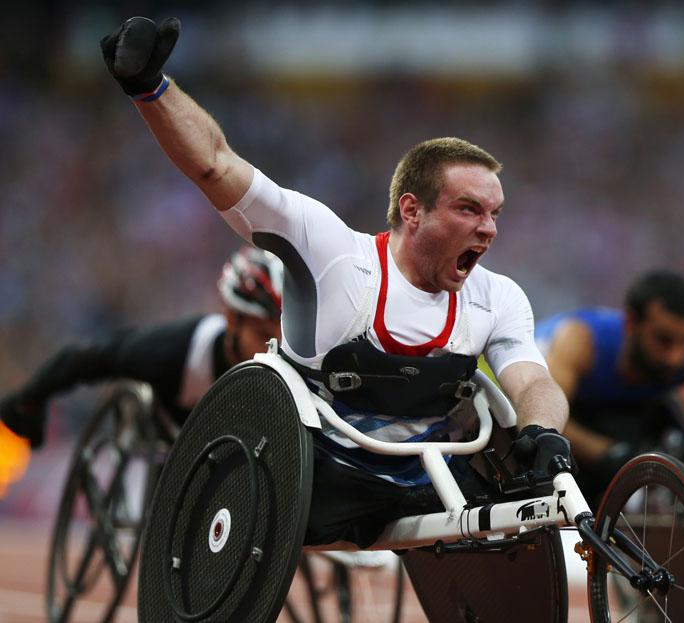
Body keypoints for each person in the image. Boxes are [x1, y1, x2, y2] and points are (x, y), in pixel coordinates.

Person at [98, 16, 572, 548]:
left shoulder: (499, 296)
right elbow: (216, 165)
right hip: (311, 476)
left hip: (429, 484)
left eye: (494, 213)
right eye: (469, 209)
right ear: (411, 211)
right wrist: (151, 89)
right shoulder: (331, 251)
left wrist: (542, 432)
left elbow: (532, 383)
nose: (488, 227)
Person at [0, 246, 283, 448]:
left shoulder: (287, 368)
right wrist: (30, 399)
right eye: (263, 334)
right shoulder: (171, 350)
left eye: (283, 338)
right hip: (156, 438)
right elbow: (88, 357)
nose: (274, 349)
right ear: (232, 319)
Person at [536, 269, 684, 503]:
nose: (676, 357)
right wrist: (610, 453)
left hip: (632, 413)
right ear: (631, 324)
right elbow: (546, 425)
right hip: (565, 409)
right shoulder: (580, 341)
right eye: (664, 340)